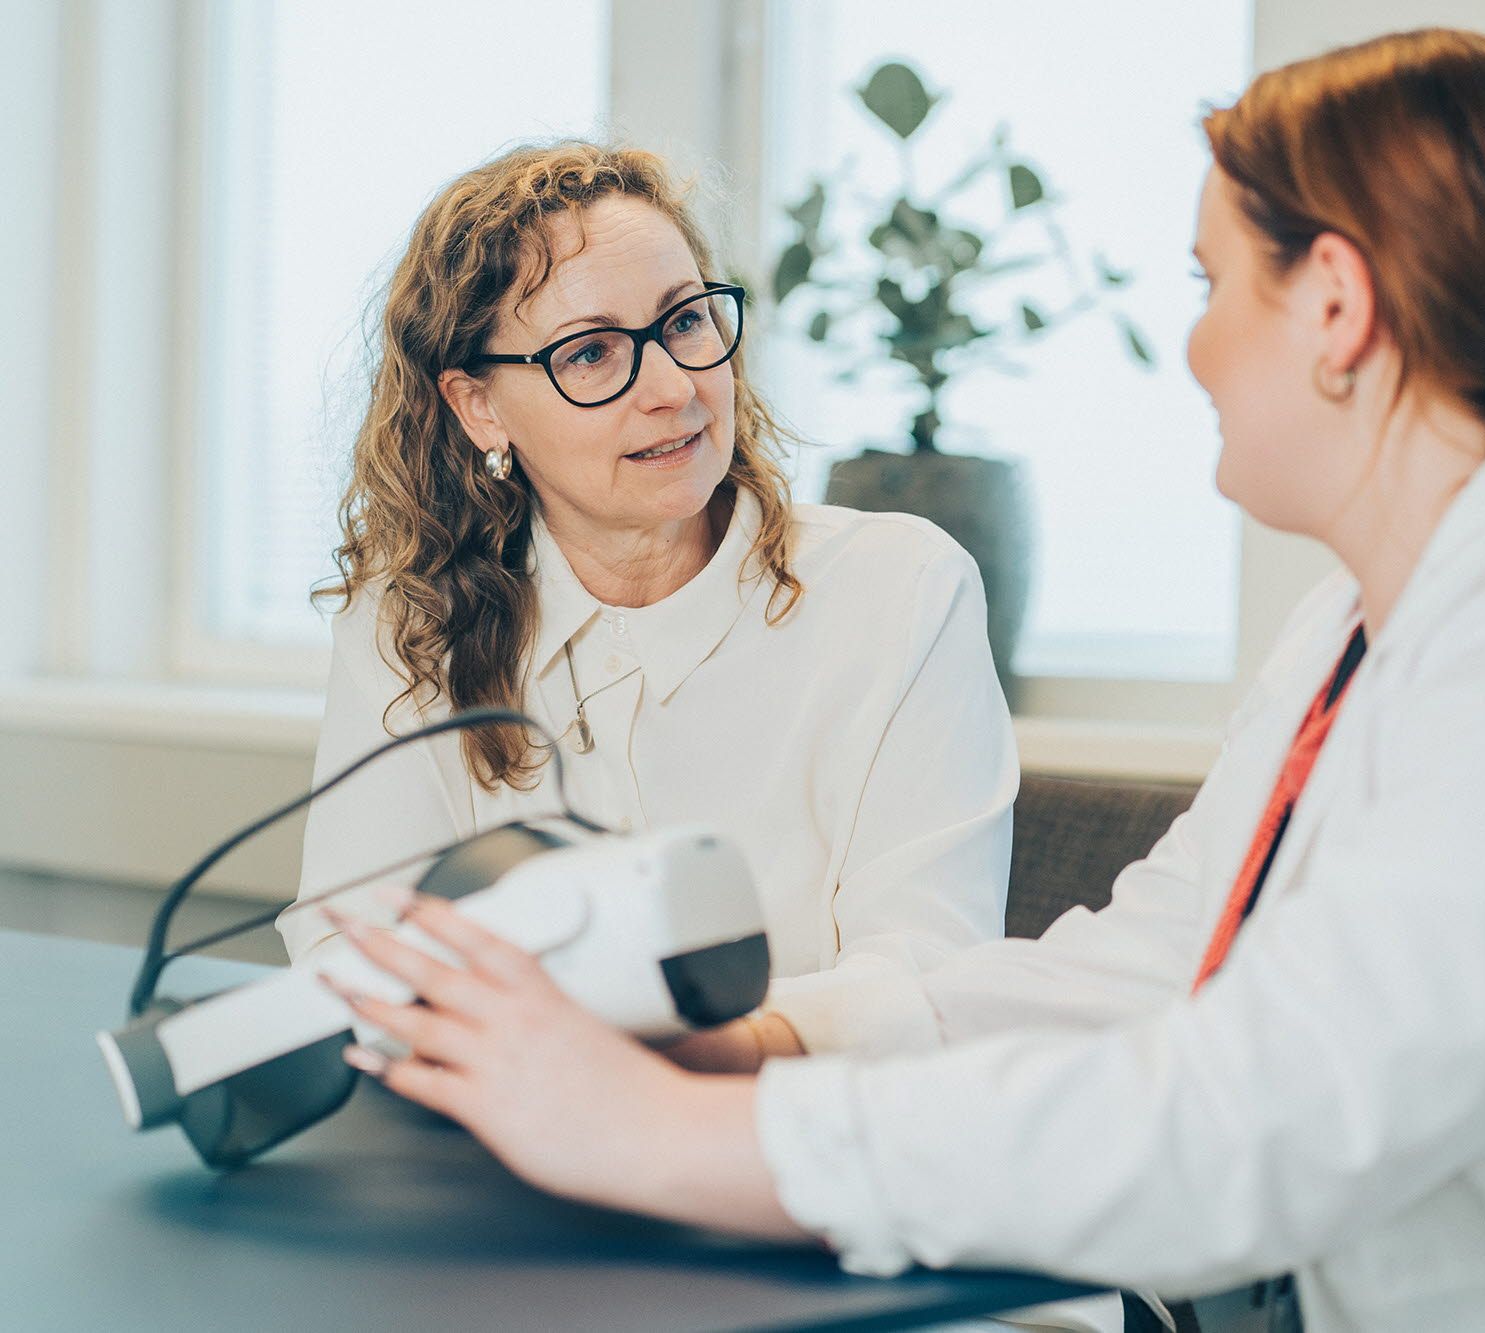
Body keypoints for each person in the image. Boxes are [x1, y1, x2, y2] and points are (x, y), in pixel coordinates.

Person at [320, 32, 1485, 1331]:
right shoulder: (1375, 613)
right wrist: (754, 1051)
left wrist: (652, 1135)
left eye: (1214, 285)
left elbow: (1241, 1131)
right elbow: (1155, 962)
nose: (1194, 343)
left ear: (1333, 304)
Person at [280, 141, 1019, 1069]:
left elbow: (927, 978)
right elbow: (352, 953)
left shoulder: (903, 589)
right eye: (590, 352)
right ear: (479, 408)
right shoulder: (408, 622)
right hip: (498, 1166)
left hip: (798, 1158)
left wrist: (601, 1049)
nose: (674, 389)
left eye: (685, 323)